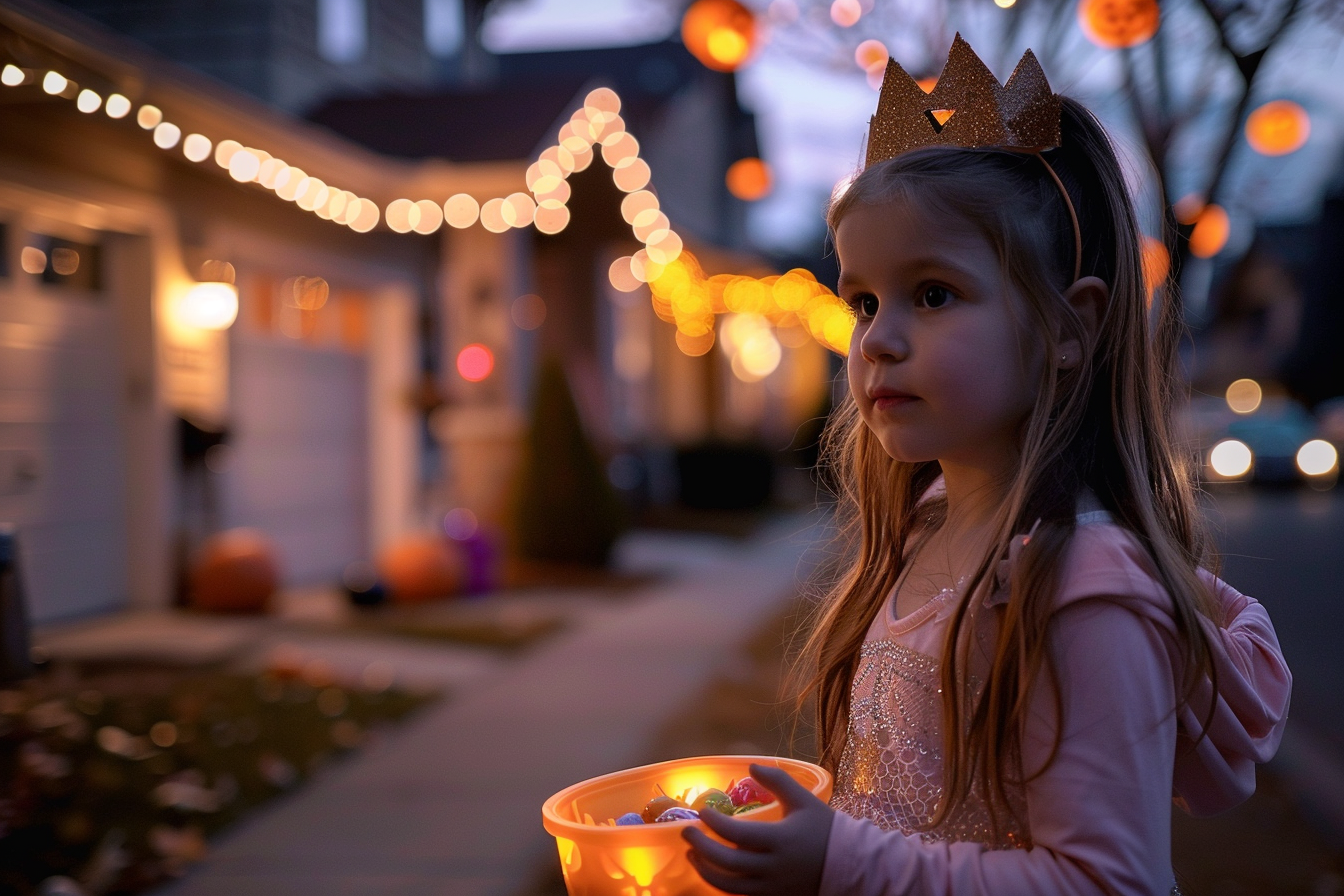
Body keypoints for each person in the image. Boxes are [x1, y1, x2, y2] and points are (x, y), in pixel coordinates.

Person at [682, 36, 1291, 896]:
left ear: (1067, 328)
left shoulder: (1083, 585)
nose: (879, 340)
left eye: (933, 294)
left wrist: (843, 864)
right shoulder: (930, 520)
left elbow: (1106, 880)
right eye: (863, 301)